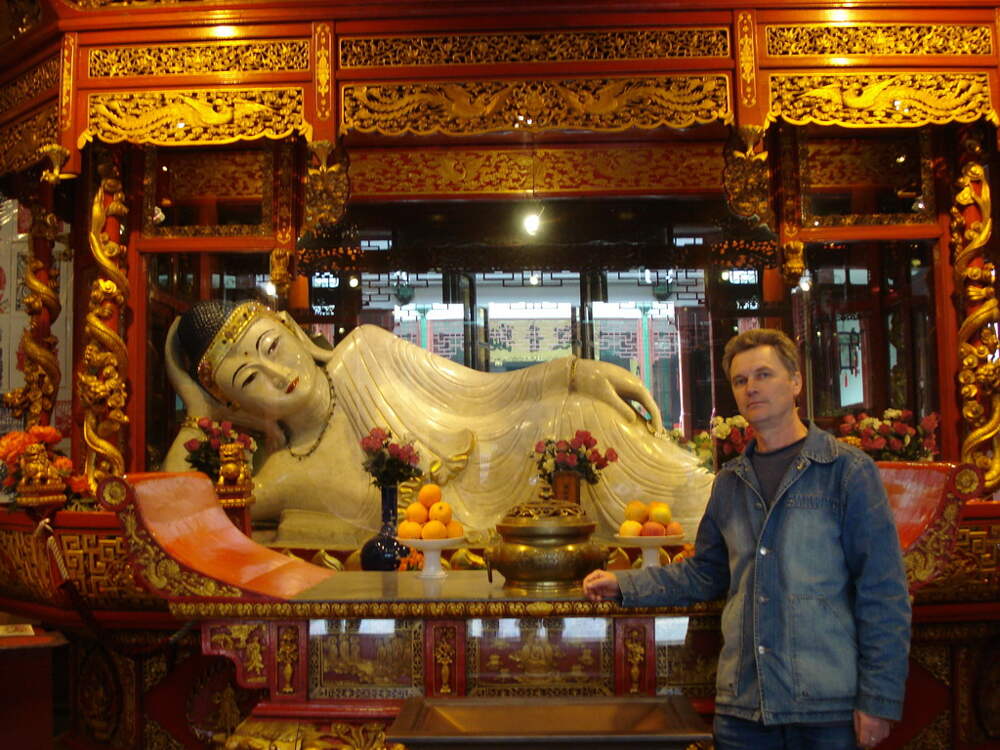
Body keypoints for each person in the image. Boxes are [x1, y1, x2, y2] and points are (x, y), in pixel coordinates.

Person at [583, 328, 911, 750]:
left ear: (796, 382)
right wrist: (625, 584)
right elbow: (705, 573)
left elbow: (883, 591)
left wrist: (879, 699)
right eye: (740, 380)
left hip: (826, 706)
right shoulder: (730, 482)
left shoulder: (846, 472)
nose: (751, 387)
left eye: (763, 375)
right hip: (744, 708)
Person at [162, 299, 713, 542]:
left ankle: (716, 507)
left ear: (290, 329)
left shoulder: (365, 352)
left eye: (272, 347)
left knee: (590, 417)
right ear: (236, 403)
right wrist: (198, 411)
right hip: (461, 531)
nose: (277, 374)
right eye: (248, 378)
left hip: (512, 450)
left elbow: (485, 390)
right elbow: (178, 509)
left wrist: (575, 372)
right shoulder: (286, 473)